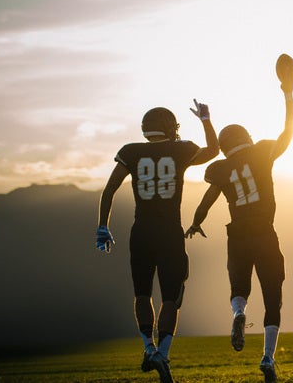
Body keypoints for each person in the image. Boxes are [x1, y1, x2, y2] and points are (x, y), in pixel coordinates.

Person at [185, 56, 293, 383]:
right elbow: (289, 130)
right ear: (246, 137)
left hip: (238, 234)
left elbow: (209, 198)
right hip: (264, 231)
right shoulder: (262, 152)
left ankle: (238, 314)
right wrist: (288, 94)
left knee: (239, 287)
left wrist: (195, 221)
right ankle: (267, 357)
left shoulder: (219, 170)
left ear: (223, 147)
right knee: (273, 295)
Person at [96, 101, 219, 383]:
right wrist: (206, 120)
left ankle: (148, 348)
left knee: (142, 294)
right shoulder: (181, 149)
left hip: (141, 232)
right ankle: (162, 352)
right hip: (169, 233)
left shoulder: (131, 152)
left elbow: (110, 189)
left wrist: (102, 225)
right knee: (171, 298)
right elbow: (213, 150)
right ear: (168, 127)